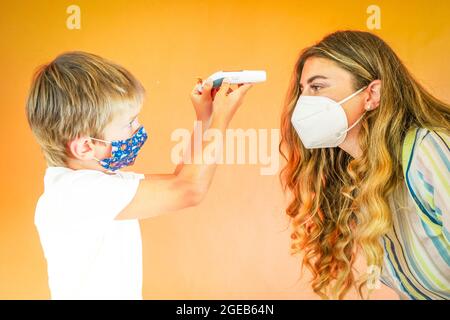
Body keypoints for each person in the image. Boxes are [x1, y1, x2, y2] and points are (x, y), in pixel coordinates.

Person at [25, 51, 252, 299]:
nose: (138, 129)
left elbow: (181, 178)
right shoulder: (76, 194)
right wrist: (222, 118)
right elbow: (189, 190)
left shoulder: (98, 182)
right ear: (86, 147)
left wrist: (205, 117)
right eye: (129, 123)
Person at [279, 30, 449, 300]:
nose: (303, 103)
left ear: (371, 94)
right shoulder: (360, 175)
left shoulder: (428, 151)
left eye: (318, 87)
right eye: (303, 90)